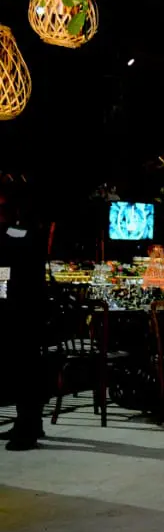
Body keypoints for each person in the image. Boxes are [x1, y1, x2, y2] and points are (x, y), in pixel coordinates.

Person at [0, 189, 47, 451]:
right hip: (21, 307)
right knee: (22, 369)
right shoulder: (17, 235)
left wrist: (3, 296)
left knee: (25, 369)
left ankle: (27, 427)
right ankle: (28, 421)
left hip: (22, 310)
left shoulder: (18, 235)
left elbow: (4, 275)